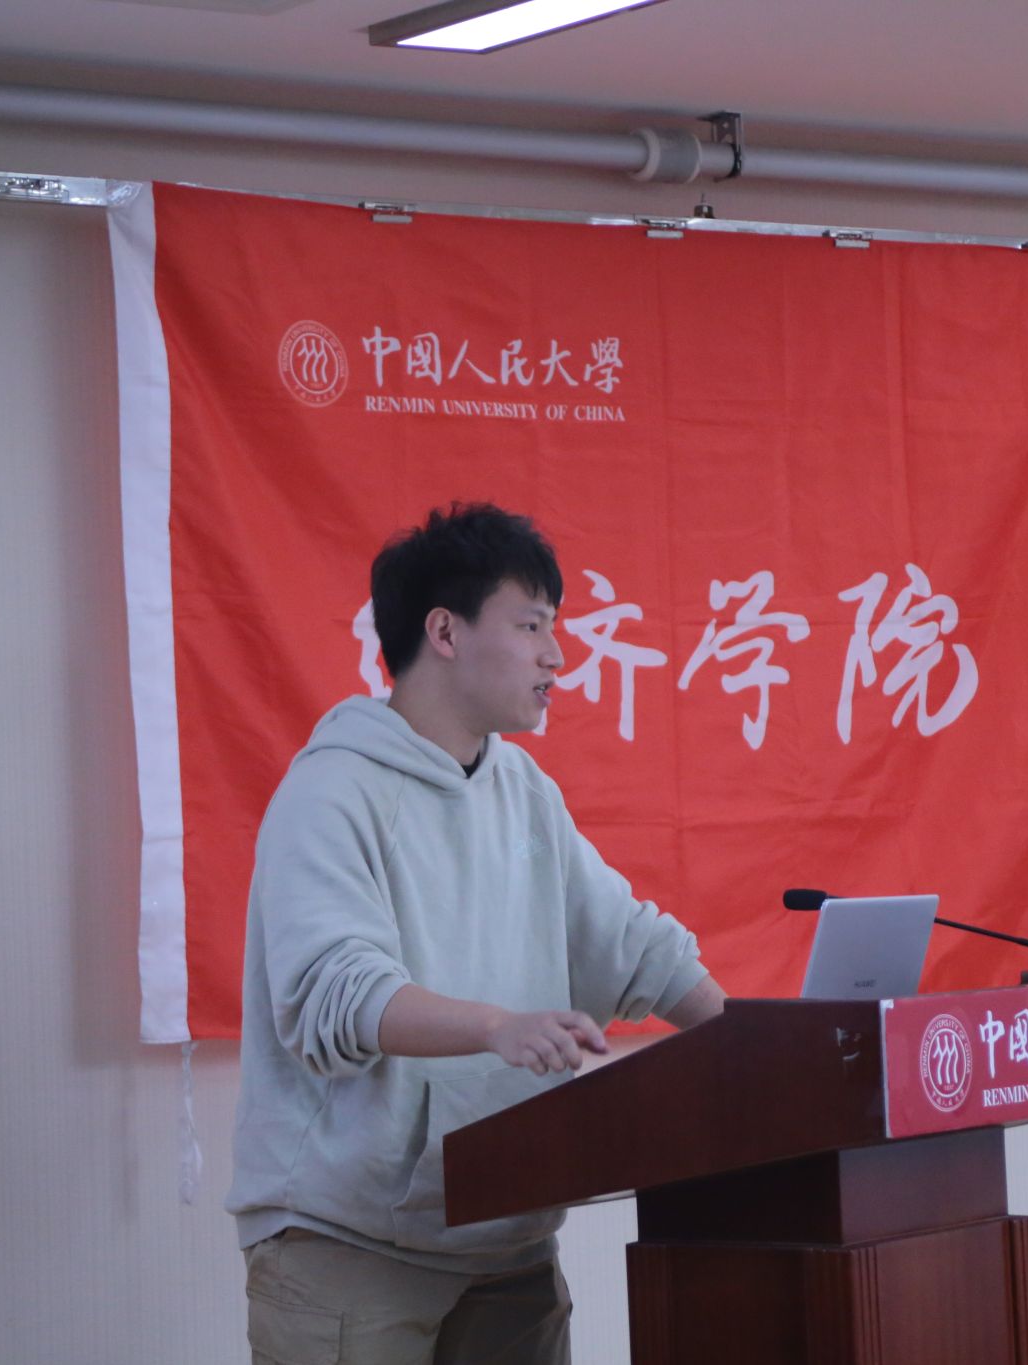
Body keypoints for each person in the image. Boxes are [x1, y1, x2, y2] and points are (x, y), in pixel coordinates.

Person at [229, 503, 728, 1365]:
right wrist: (496, 1026)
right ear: (445, 632)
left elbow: (632, 944)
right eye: (531, 625)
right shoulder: (332, 791)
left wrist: (767, 1047)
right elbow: (337, 994)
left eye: (554, 627)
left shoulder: (523, 789)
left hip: (507, 1241)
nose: (556, 655)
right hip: (348, 1244)